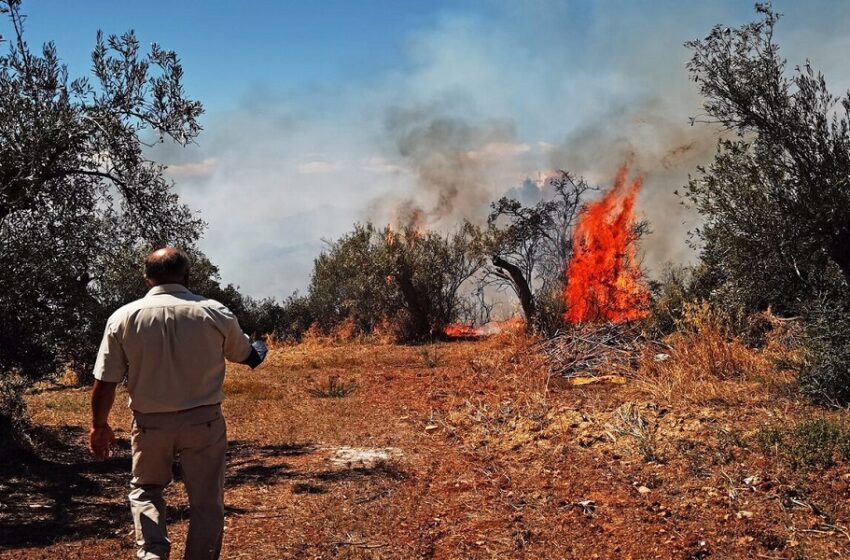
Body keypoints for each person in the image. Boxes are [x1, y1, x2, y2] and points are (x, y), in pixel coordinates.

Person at [89, 247, 267, 560]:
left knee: (146, 489)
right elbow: (247, 356)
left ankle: (153, 554)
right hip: (204, 421)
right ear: (187, 276)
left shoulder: (123, 318)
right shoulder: (213, 311)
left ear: (147, 279)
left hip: (149, 423)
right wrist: (260, 347)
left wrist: (99, 425)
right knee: (206, 502)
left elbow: (105, 381)